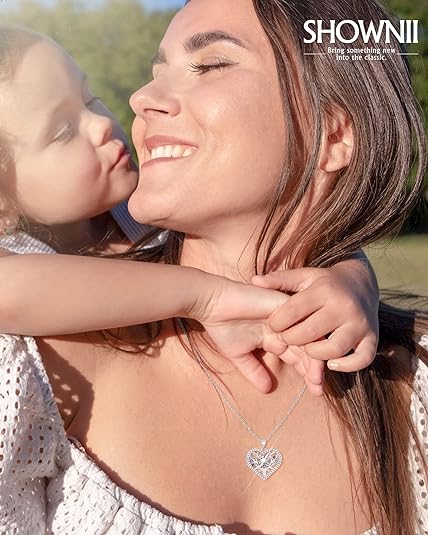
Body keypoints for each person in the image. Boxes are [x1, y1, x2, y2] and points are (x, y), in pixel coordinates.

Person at [0, 0, 426, 533]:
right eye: (157, 73)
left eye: (211, 65)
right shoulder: (26, 361)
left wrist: (350, 273)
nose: (138, 99)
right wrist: (206, 296)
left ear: (334, 134)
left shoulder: (414, 392)